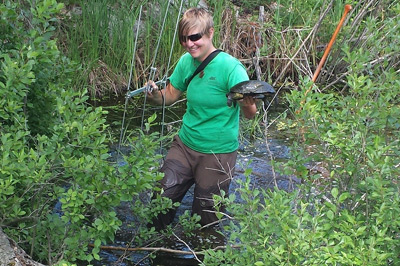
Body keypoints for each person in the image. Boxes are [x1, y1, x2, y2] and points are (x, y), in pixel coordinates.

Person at [146, 7, 257, 230]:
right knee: (159, 203)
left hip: (217, 153)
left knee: (206, 221)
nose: (190, 44)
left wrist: (246, 102)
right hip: (185, 145)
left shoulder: (231, 68)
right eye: (184, 39)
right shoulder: (186, 62)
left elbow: (250, 113)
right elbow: (168, 97)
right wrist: (153, 95)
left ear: (210, 33)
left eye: (195, 37)